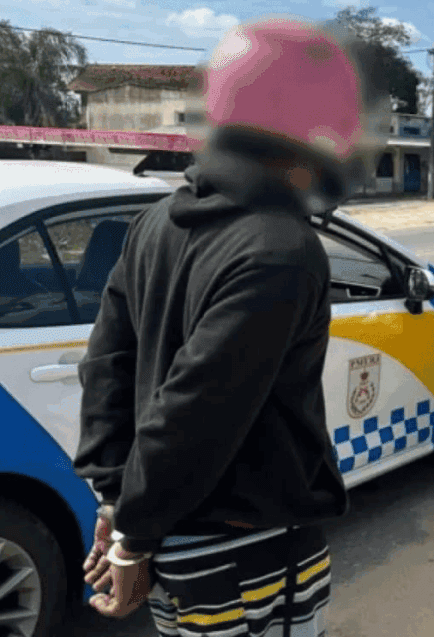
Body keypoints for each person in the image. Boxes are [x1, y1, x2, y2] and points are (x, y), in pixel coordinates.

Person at [72, 16, 380, 634]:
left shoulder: (156, 223)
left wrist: (117, 502)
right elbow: (196, 410)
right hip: (248, 550)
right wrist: (131, 533)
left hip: (176, 545)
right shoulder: (282, 247)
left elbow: (107, 366)